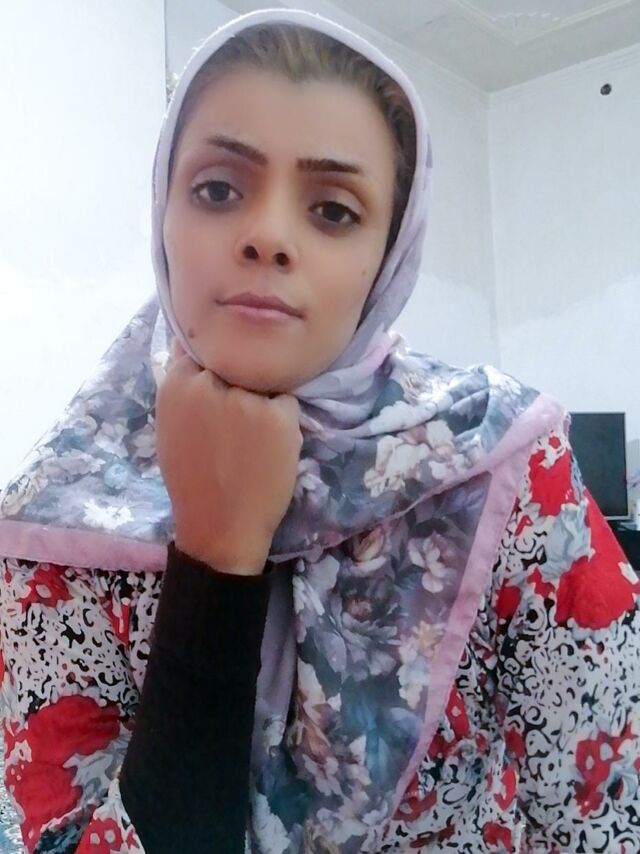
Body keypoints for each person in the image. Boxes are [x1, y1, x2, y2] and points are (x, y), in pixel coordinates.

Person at [0, 8, 638, 853]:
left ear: (389, 254)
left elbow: (606, 815)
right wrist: (216, 557)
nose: (268, 236)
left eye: (333, 210)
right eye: (218, 190)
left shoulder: (499, 464)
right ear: (163, 215)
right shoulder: (58, 514)